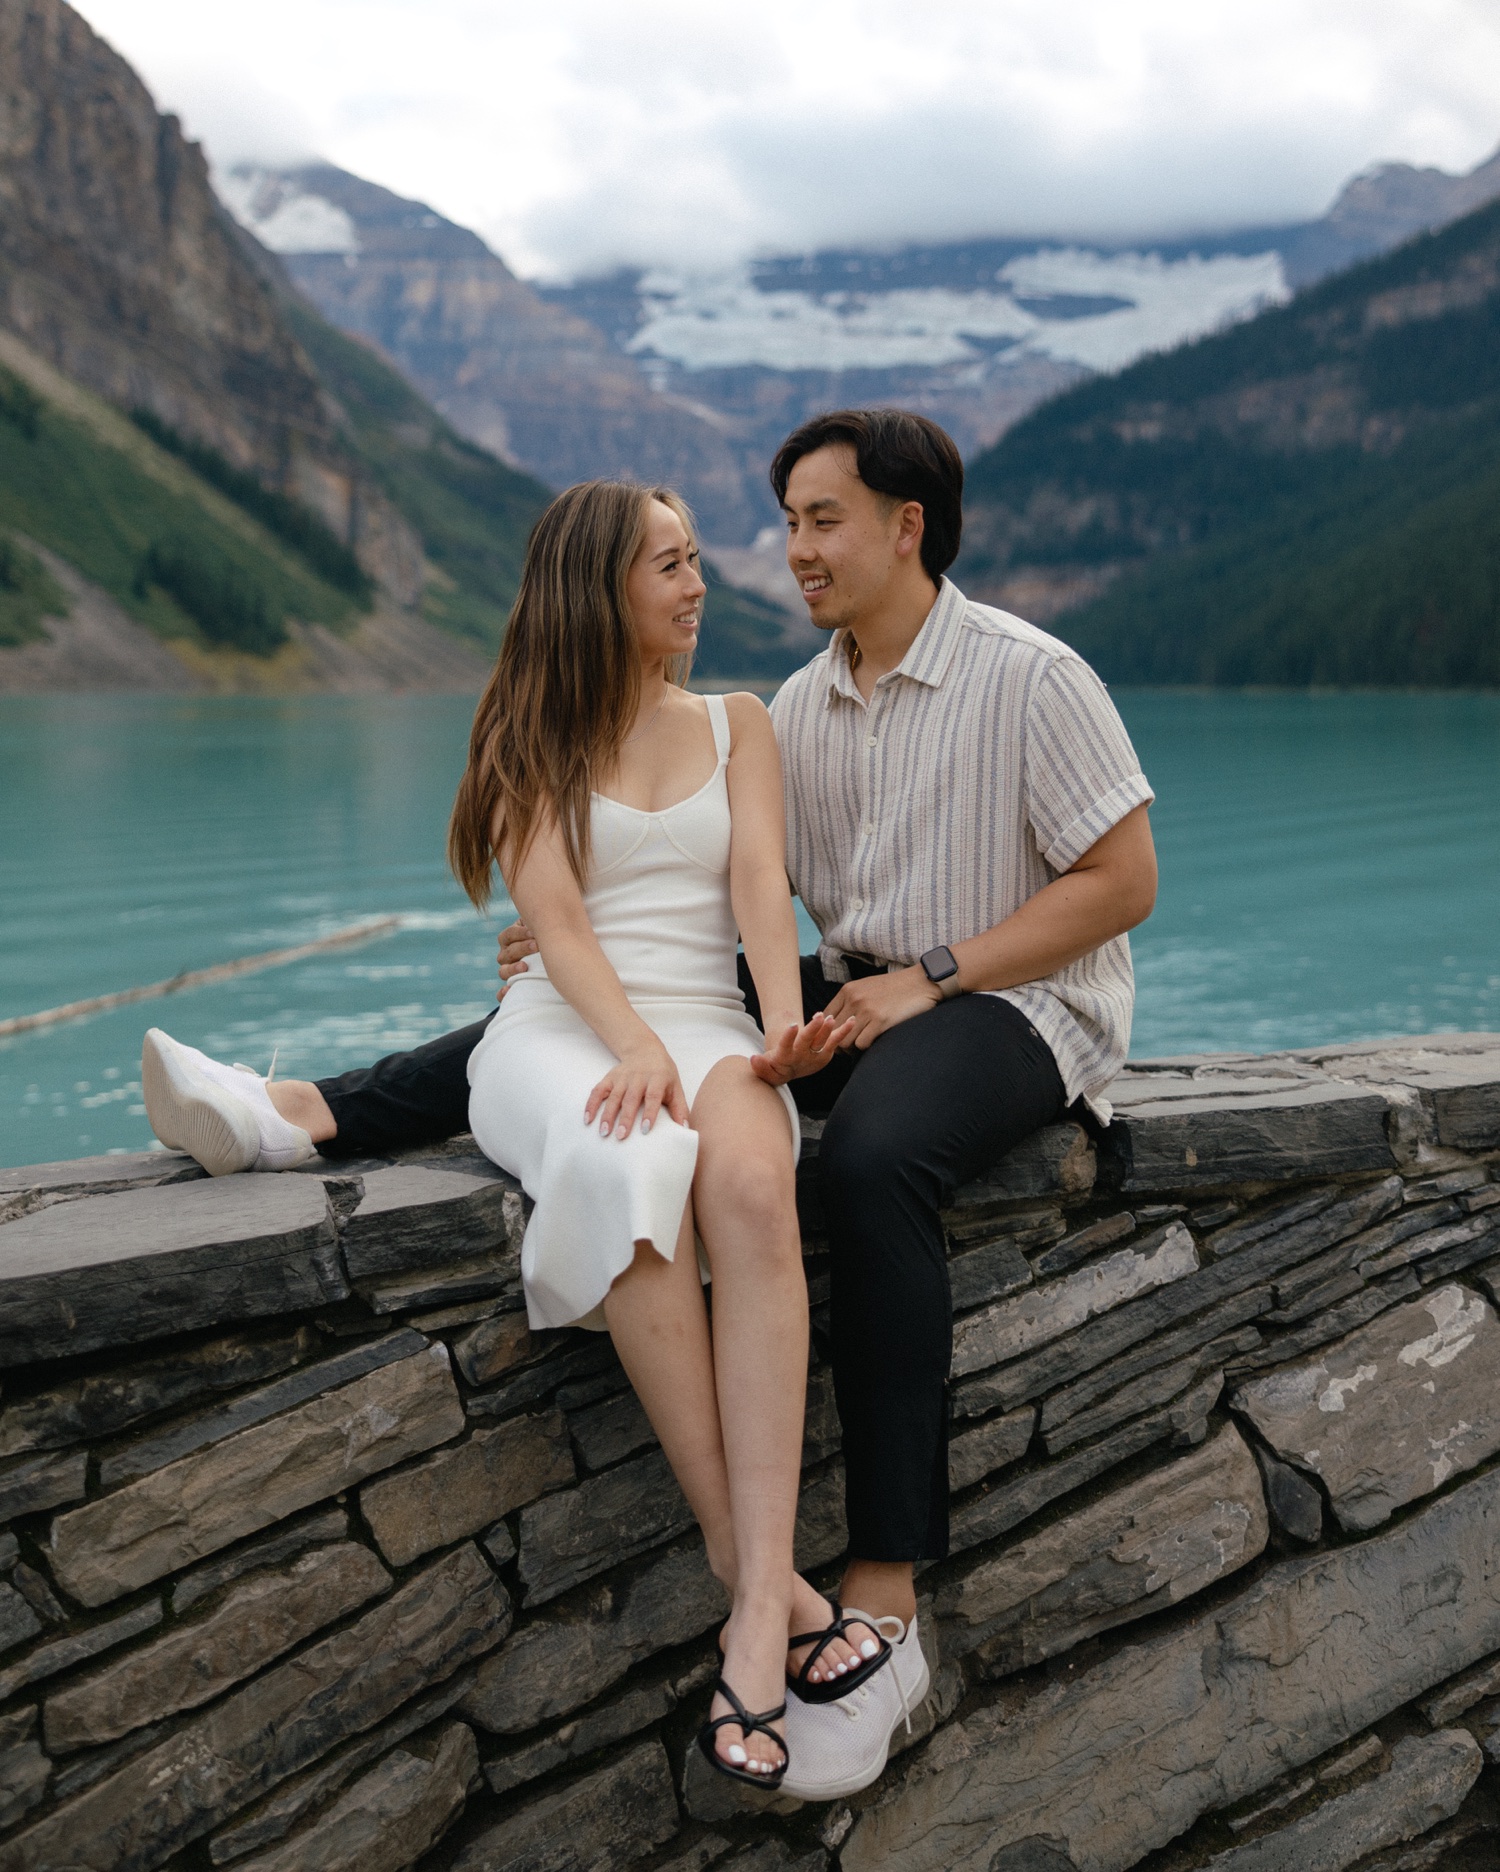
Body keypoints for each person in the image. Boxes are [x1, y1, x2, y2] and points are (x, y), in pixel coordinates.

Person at [142, 409, 1158, 1801]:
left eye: (819, 521)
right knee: (591, 1034)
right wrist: (579, 946)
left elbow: (1122, 888)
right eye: (784, 522)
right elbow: (721, 898)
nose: (789, 550)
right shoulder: (798, 705)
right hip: (864, 986)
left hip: (1014, 999)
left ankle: (882, 1594)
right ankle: (301, 1113)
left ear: (904, 527)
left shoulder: (1030, 675)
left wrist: (924, 981)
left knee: (862, 1163)